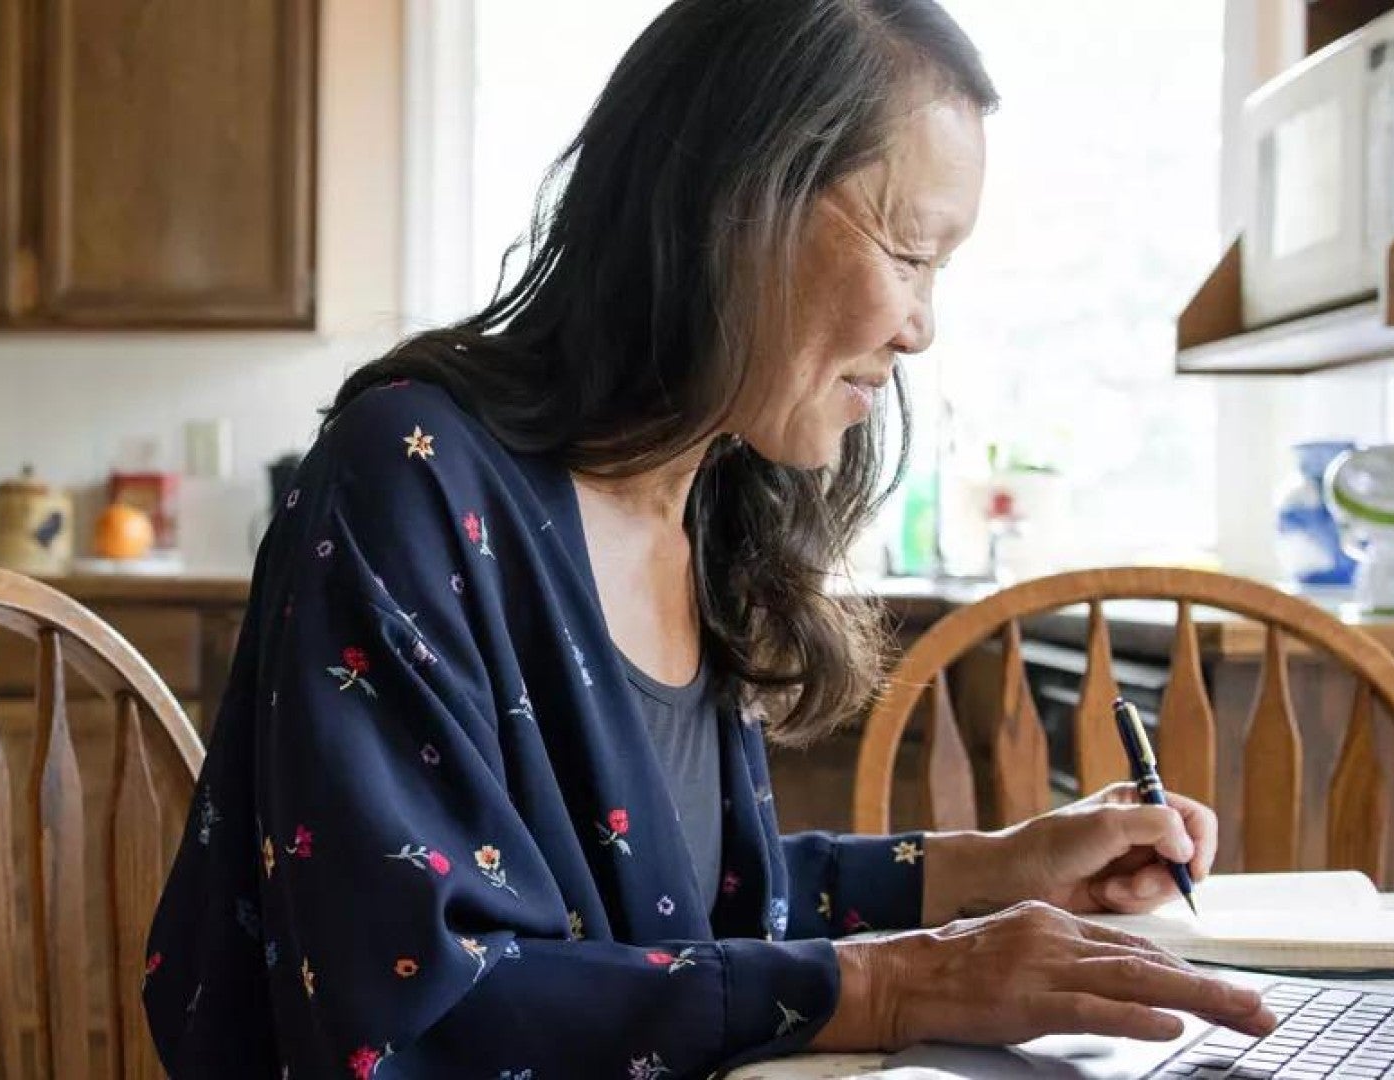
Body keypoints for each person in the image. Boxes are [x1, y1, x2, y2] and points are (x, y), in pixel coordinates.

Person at [143, 1, 1277, 1075]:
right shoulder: (409, 479)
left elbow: (681, 916)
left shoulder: (701, 501)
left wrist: (996, 869)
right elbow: (417, 1017)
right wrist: (888, 987)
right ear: (737, 207)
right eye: (911, 253)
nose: (923, 327)